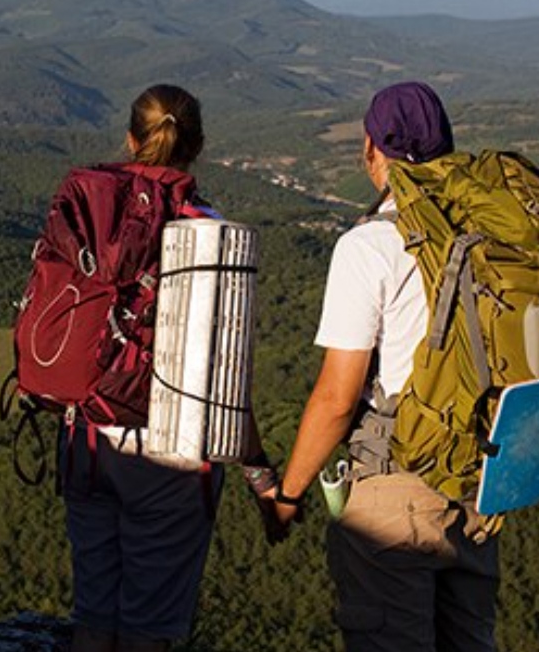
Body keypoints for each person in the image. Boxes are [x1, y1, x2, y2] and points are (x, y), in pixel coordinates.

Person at [272, 82, 501, 652]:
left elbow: (336, 398)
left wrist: (289, 491)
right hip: (478, 484)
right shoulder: (489, 234)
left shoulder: (368, 246)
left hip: (396, 492)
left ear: (373, 149)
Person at [59, 84, 283, 652]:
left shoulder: (93, 211)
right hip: (171, 455)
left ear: (130, 140)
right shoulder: (209, 233)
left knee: (93, 616)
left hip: (86, 436)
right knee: (147, 629)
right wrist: (261, 477)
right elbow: (225, 380)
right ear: (198, 146)